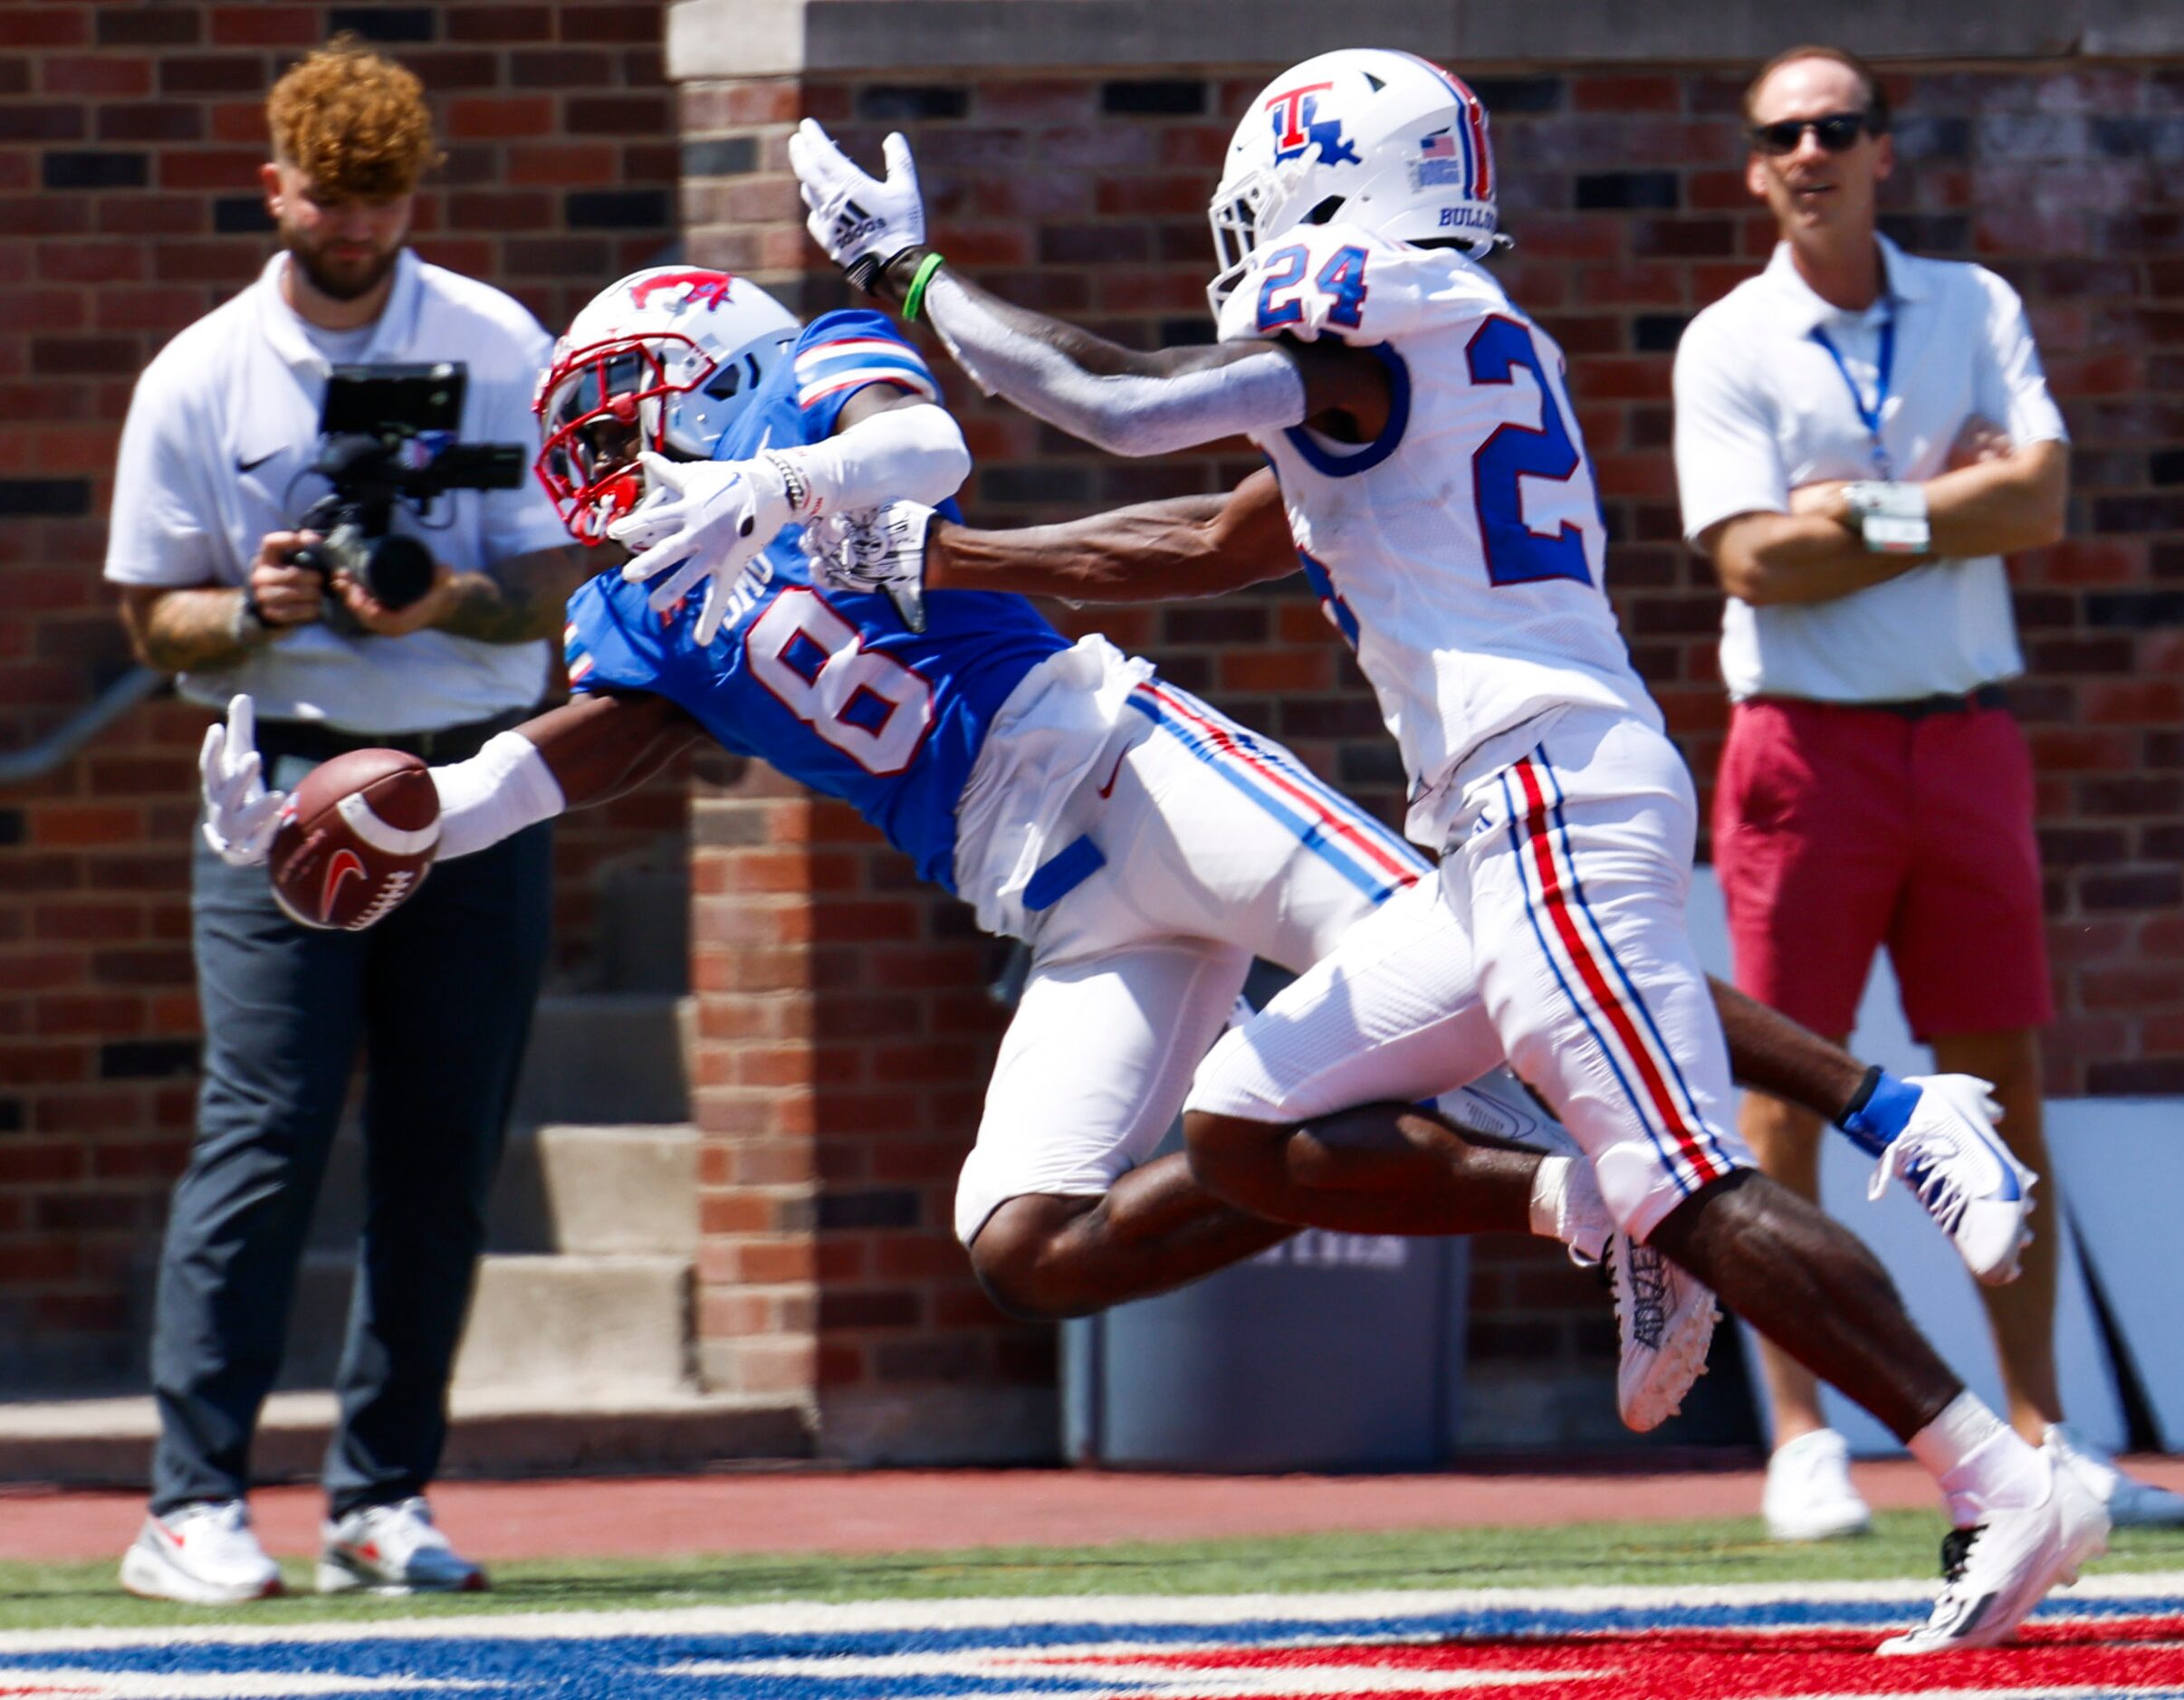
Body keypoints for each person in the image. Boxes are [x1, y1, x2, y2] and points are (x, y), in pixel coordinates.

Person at [198, 265, 2013, 1457]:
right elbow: (565, 756)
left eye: (621, 412)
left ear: (695, 360)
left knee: (1518, 956)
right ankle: (1564, 1204)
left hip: (1139, 769)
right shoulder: (637, 604)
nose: (600, 460)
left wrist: (774, 488)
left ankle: (1884, 1110)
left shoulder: (803, 392)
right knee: (1025, 1246)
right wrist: (397, 818)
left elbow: (921, 441)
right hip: (1054, 906)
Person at [786, 49, 2103, 1652]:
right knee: (1242, 1126)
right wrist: (939, 562)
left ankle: (2000, 1475)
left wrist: (908, 276)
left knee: (1688, 1176)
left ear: (1330, 178)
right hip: (1496, 818)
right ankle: (1610, 1201)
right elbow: (1205, 539)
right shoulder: (1443, 343)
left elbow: (1120, 406)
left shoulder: (1381, 307)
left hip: (1541, 783)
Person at [1670, 43, 2184, 1540]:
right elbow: (1752, 558)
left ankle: (2043, 1433)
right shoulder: (1729, 341)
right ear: (1757, 166)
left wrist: (1876, 510)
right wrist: (1950, 512)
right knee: (1787, 1088)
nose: (1815, 150)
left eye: (1841, 125)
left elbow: (2040, 499)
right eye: (1787, 132)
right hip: (1804, 745)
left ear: (1885, 149)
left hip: (1964, 736)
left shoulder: (1976, 304)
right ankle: (1803, 1438)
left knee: (2003, 1084)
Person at [101, 40, 589, 1603]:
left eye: (387, 202)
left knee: (444, 1145)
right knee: (265, 1131)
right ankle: (191, 1502)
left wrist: (445, 598)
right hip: (278, 778)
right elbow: (147, 622)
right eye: (335, 200)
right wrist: (249, 609)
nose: (361, 229)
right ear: (276, 188)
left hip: (467, 774)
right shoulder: (202, 372)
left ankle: (383, 1492)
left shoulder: (500, 341)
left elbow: (563, 570)